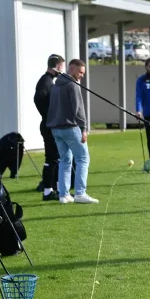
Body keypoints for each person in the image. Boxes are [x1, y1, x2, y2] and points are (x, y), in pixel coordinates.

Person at [47, 59, 99, 204]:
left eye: (83, 73)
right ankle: (80, 193)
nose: (82, 75)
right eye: (80, 72)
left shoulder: (56, 85)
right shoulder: (72, 85)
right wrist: (84, 128)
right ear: (71, 69)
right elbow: (79, 109)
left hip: (56, 129)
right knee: (83, 158)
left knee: (64, 160)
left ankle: (63, 195)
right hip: (70, 128)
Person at [33, 54, 74, 201]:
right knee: (52, 158)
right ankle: (48, 191)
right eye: (62, 67)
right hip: (49, 124)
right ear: (57, 66)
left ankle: (54, 189)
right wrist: (48, 115)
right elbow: (38, 98)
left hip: (50, 123)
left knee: (55, 157)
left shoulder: (50, 81)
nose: (62, 70)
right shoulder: (46, 81)